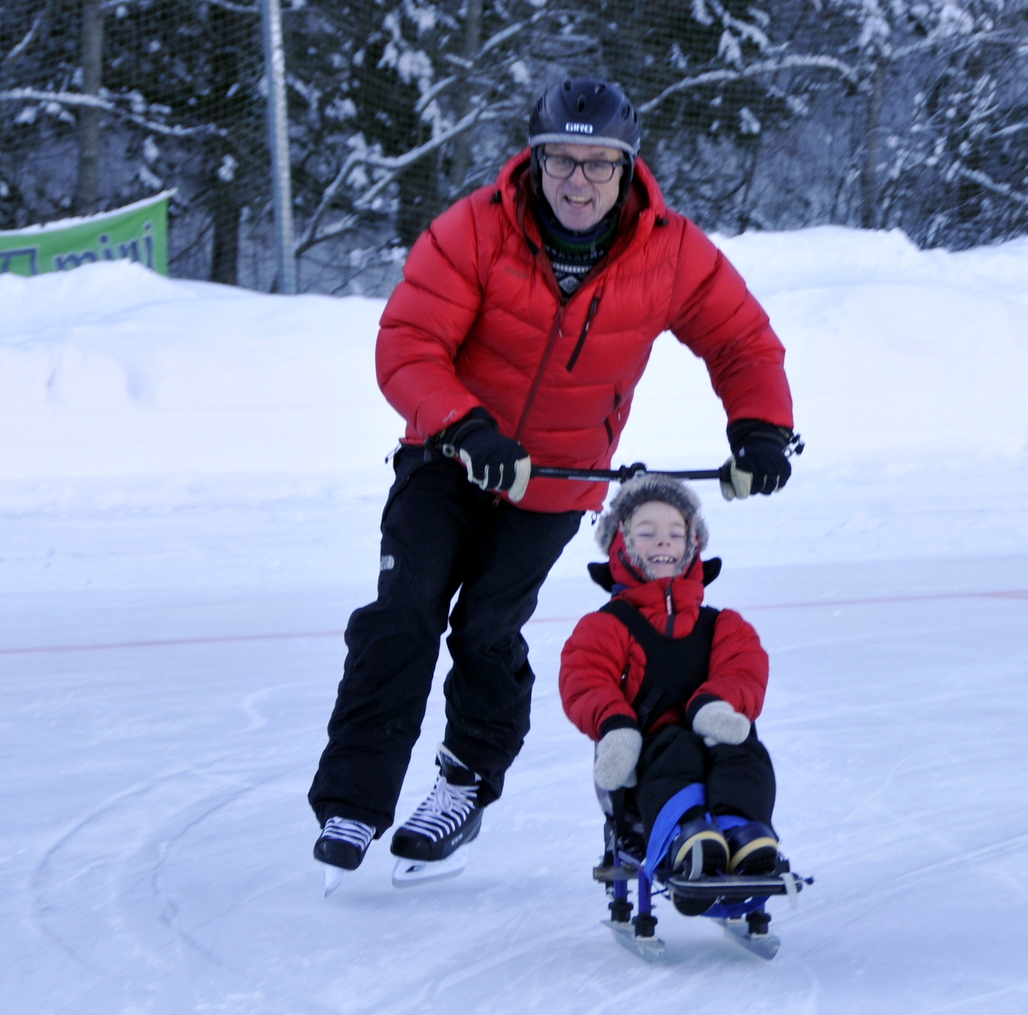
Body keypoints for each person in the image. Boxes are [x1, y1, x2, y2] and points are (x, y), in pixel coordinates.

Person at [308, 77, 795, 892]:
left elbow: (742, 341)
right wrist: (465, 425)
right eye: (561, 161)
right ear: (532, 163)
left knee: (489, 626)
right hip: (450, 455)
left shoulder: (669, 251)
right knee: (406, 610)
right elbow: (408, 344)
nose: (578, 181)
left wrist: (761, 428)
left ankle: (463, 782)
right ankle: (354, 802)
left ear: (627, 169)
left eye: (598, 164)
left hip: (559, 478)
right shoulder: (473, 230)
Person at [559, 474, 780, 911]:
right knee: (675, 747)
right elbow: (586, 678)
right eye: (647, 533)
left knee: (744, 750)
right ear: (621, 544)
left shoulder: (723, 624)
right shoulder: (606, 625)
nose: (663, 542)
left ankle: (743, 832)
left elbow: (745, 667)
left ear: (692, 544)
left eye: (675, 533)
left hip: (712, 737)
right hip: (643, 755)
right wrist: (616, 726)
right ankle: (687, 836)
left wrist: (714, 705)